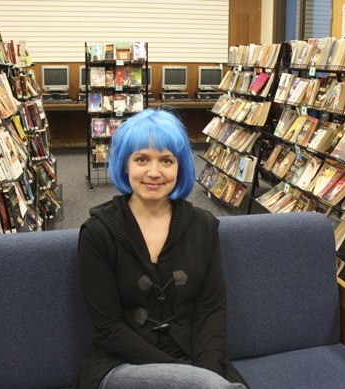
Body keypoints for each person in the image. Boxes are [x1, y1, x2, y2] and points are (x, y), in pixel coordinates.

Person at [75, 108, 249, 389]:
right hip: (121, 365)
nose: (154, 172)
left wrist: (206, 370)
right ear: (124, 165)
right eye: (141, 159)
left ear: (180, 167)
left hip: (195, 361)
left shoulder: (204, 226)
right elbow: (109, 330)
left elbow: (211, 310)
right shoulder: (98, 232)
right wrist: (190, 376)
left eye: (166, 160)